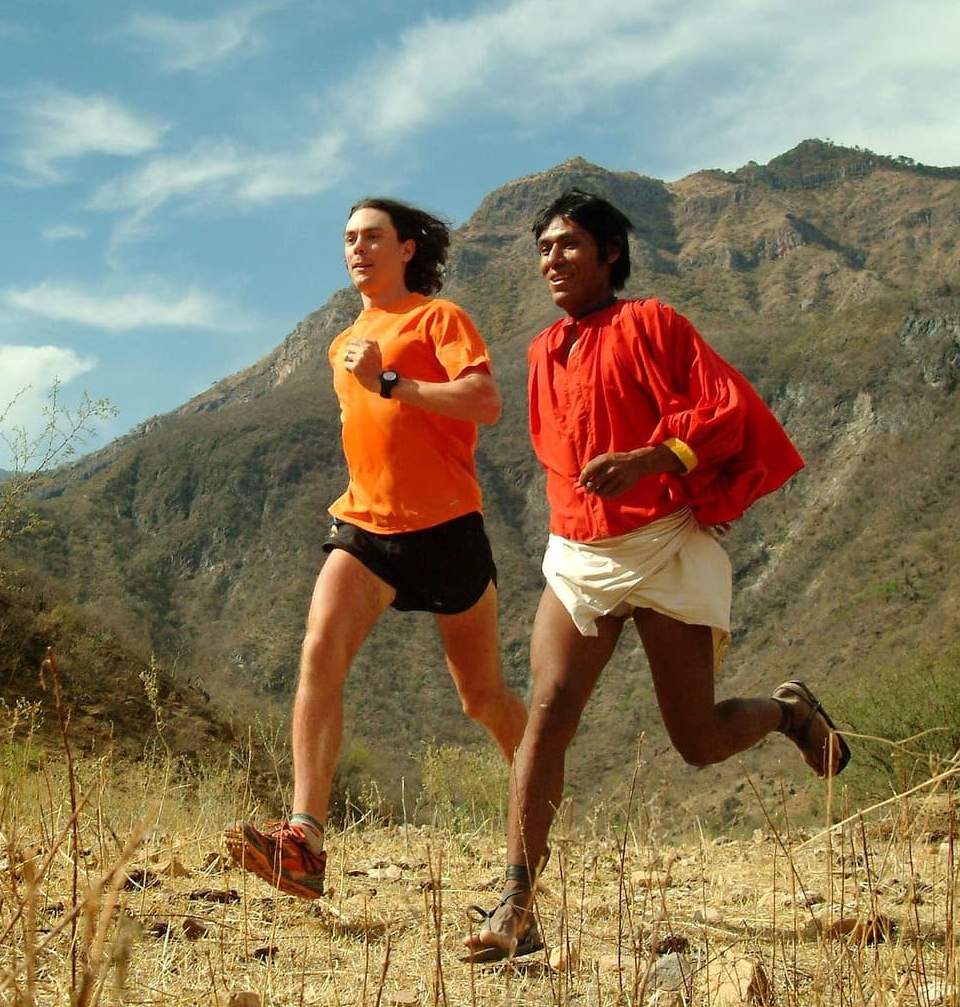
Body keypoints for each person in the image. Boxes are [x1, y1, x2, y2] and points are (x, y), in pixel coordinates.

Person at [462, 188, 851, 963]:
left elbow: (726, 412)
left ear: (610, 252)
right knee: (548, 714)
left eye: (568, 244)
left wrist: (650, 460)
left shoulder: (653, 323)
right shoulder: (542, 352)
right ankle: (516, 904)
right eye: (543, 249)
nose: (552, 259)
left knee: (698, 741)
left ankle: (788, 713)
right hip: (582, 557)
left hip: (665, 545)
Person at [226, 197, 528, 899]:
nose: (357, 249)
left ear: (406, 249)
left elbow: (484, 402)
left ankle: (538, 783)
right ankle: (303, 842)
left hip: (447, 528)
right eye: (348, 239)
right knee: (320, 652)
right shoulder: (343, 342)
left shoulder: (438, 319)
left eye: (371, 237)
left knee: (481, 697)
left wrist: (391, 381)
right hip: (365, 525)